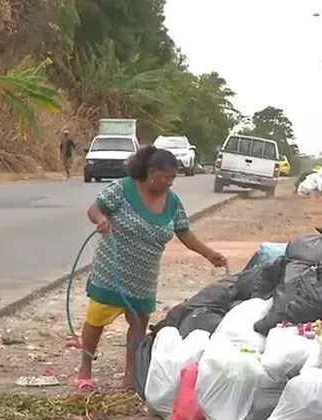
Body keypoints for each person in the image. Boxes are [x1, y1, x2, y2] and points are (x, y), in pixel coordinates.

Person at [76, 145, 228, 391]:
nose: (170, 182)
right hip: (111, 270)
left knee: (138, 324)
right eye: (166, 177)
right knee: (96, 319)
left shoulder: (173, 202)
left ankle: (130, 375)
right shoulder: (123, 188)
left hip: (144, 276)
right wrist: (102, 220)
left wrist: (209, 254)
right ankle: (85, 371)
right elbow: (95, 209)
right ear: (151, 173)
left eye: (173, 178)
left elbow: (184, 232)